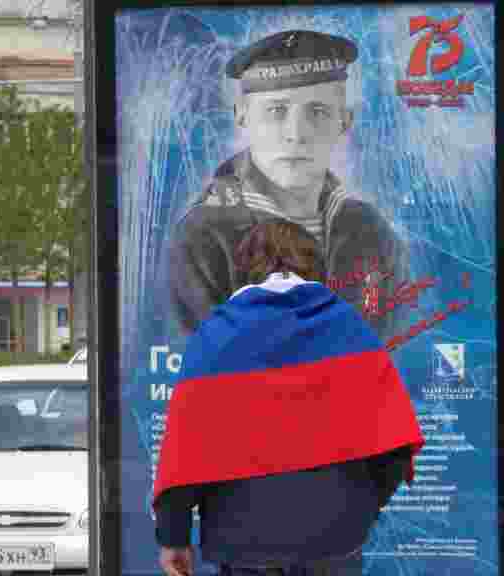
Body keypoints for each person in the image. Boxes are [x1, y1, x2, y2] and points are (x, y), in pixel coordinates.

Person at [153, 218, 424, 576]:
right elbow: (394, 446)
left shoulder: (215, 337)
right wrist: (361, 505)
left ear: (245, 270)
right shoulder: (350, 329)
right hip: (334, 537)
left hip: (243, 539)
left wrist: (174, 537)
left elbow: (185, 448)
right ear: (315, 267)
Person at [165, 29, 408, 344]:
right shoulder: (204, 237)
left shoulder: (372, 232)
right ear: (242, 116)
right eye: (276, 111)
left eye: (317, 112)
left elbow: (392, 348)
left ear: (344, 120)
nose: (296, 133)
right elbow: (202, 360)